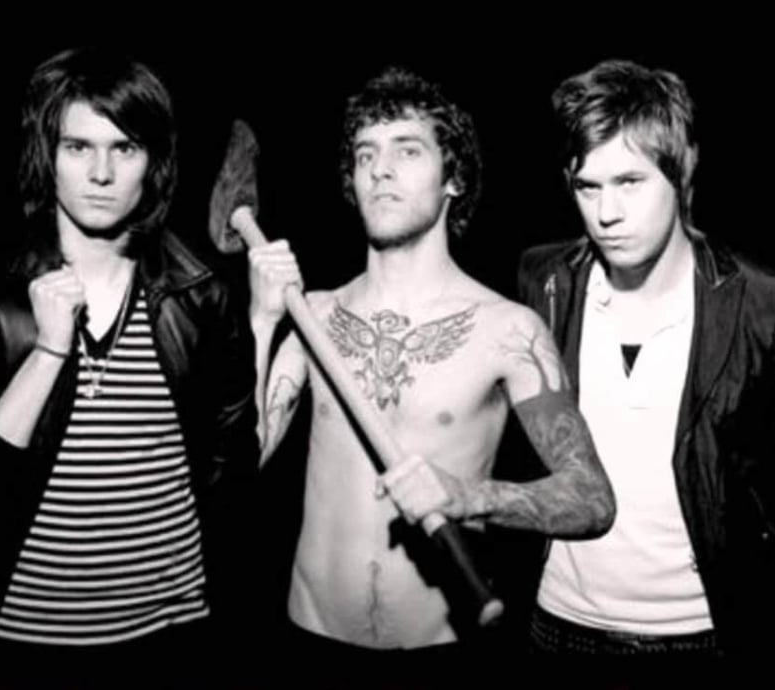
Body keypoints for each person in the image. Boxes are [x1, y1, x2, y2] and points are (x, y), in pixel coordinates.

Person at [247, 66, 614, 672]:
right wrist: (262, 323)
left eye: (407, 150)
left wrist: (469, 497)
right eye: (365, 154)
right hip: (307, 638)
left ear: (454, 178)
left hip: (443, 648)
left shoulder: (508, 330)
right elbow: (245, 460)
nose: (380, 168)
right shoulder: (316, 315)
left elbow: (592, 499)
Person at [0, 47, 258, 684]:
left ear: (153, 163)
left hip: (173, 630)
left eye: (125, 148)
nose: (102, 173)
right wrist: (49, 352)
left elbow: (232, 472)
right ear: (47, 156)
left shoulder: (200, 296)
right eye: (78, 147)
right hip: (21, 635)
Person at [515, 59, 775, 659]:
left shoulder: (762, 302)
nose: (607, 213)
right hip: (555, 622)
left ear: (681, 172)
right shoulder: (543, 280)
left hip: (702, 633)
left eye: (630, 181)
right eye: (588, 187)